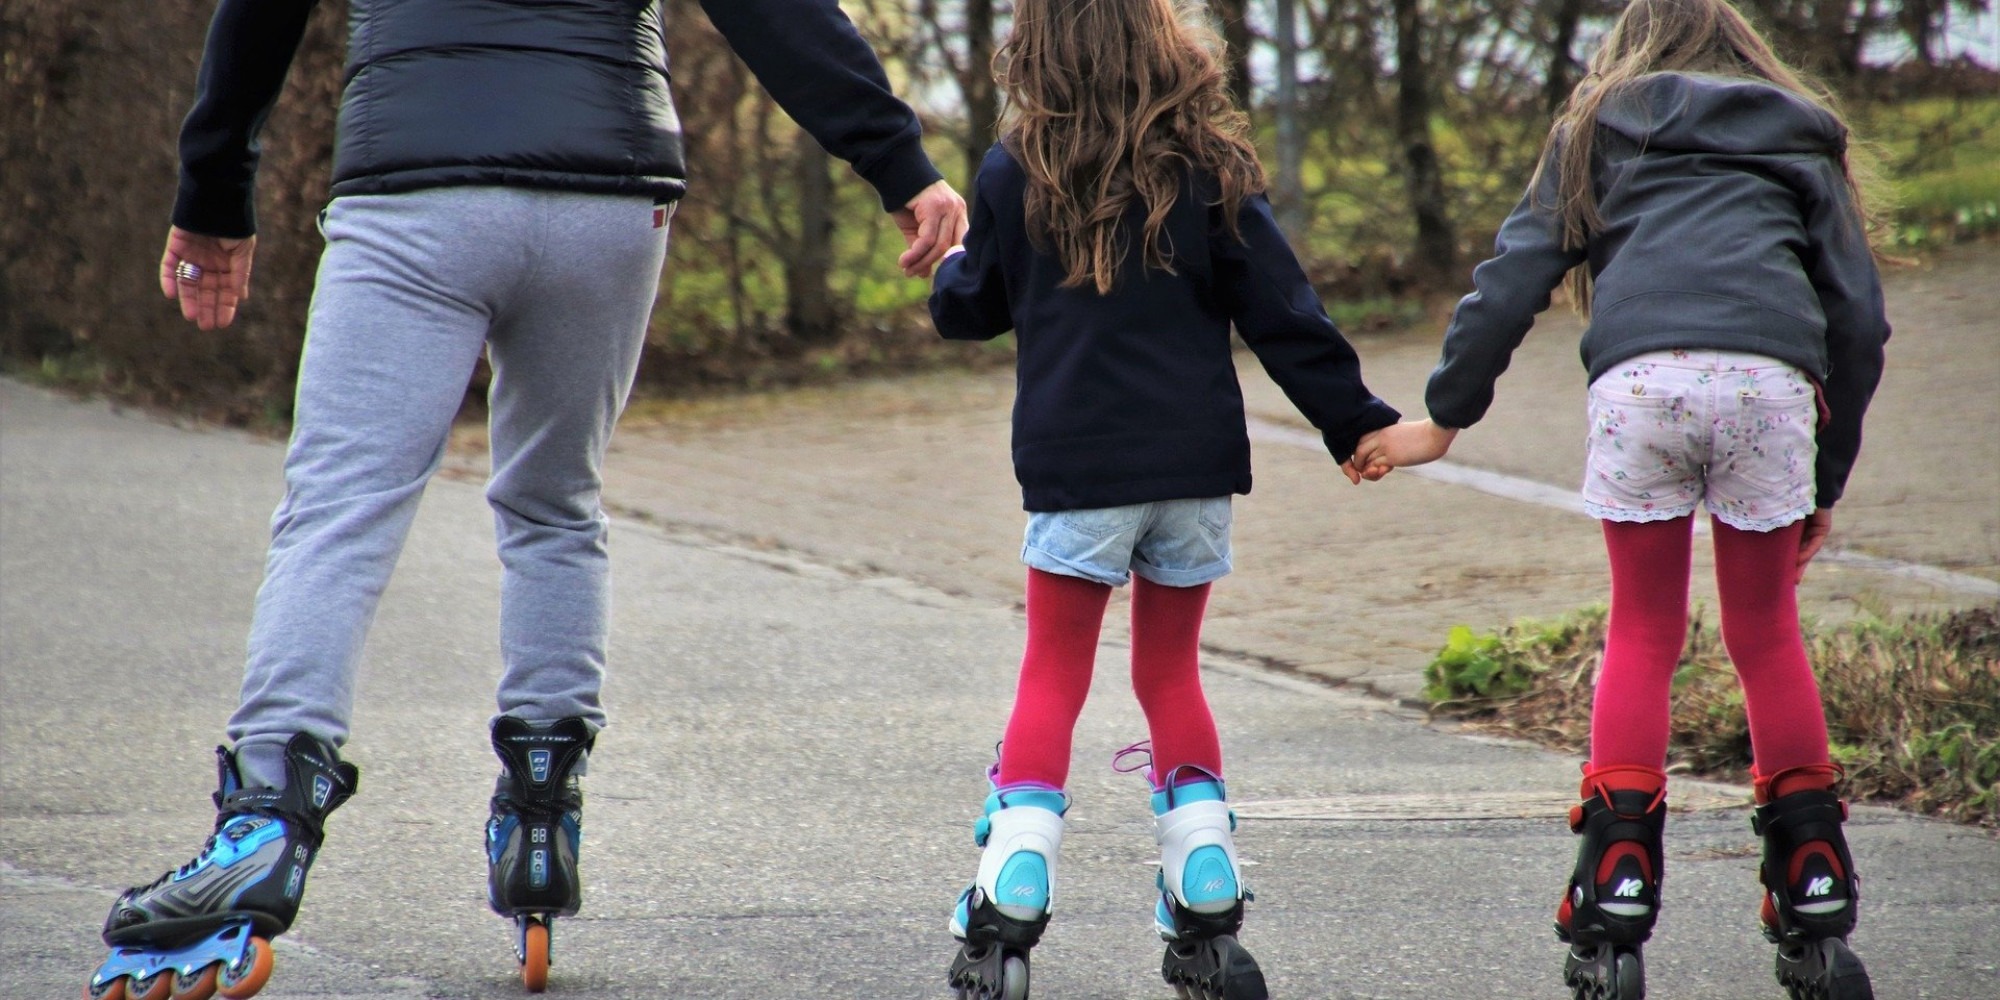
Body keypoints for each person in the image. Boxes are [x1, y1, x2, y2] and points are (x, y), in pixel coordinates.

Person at [89, 2, 967, 997]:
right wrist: (897, 163)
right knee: (555, 501)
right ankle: (540, 814)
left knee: (339, 507)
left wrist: (214, 187)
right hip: (609, 190)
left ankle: (262, 823)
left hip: (417, 188)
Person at [1350, 2, 1889, 998]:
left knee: (1641, 631)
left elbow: (1508, 284)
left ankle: (1616, 886)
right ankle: (1811, 881)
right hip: (1769, 389)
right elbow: (1856, 319)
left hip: (1637, 386)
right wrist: (1827, 469)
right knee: (1764, 632)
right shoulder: (1797, 131)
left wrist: (1442, 416)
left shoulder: (1594, 129)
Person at [928, 2, 1399, 997]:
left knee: (1052, 674)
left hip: (1075, 470)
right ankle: (1203, 875)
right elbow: (1281, 309)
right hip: (1191, 470)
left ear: (1037, 51)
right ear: (1164, 45)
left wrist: (951, 264)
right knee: (1170, 675)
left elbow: (972, 310)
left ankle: (1011, 880)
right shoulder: (1208, 167)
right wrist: (1351, 422)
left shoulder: (1018, 167)